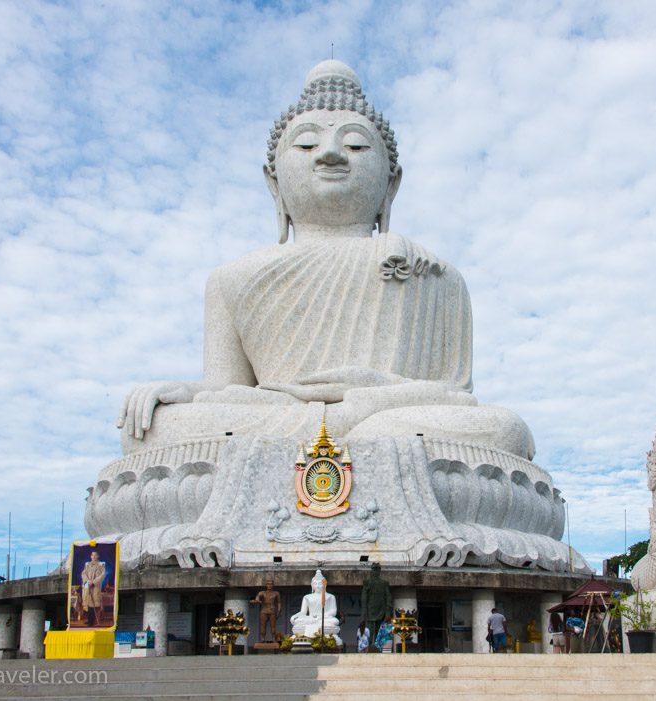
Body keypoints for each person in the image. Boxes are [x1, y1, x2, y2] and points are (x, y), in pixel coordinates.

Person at [114, 60, 534, 462]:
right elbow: (229, 391)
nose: (330, 154)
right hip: (286, 419)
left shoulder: (434, 274)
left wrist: (376, 393)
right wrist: (190, 395)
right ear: (273, 182)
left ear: (392, 183)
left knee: (502, 429)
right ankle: (346, 438)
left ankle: (341, 436)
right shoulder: (231, 279)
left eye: (354, 144)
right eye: (307, 143)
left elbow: (454, 396)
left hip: (385, 417)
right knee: (151, 429)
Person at [289, 569, 339, 639]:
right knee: (297, 621)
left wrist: (321, 616)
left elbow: (333, 612)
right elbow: (303, 612)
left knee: (335, 621)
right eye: (315, 583)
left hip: (324, 618)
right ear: (312, 585)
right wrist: (295, 616)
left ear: (324, 584)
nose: (318, 586)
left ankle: (319, 630)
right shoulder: (307, 597)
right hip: (311, 618)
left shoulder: (330, 597)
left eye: (320, 583)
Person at [360, 562, 392, 651]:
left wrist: (388, 612)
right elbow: (364, 598)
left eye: (377, 570)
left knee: (379, 629)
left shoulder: (384, 583)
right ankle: (368, 645)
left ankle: (378, 646)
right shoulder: (367, 582)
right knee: (370, 629)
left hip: (381, 610)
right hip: (370, 610)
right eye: (374, 570)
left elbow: (388, 598)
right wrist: (364, 611)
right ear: (372, 571)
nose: (375, 572)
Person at [80, 550, 107, 626]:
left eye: (95, 555)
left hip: (95, 586)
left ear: (98, 556)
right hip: (87, 586)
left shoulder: (101, 565)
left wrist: (94, 582)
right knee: (88, 603)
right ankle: (89, 620)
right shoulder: (87, 565)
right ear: (91, 556)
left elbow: (102, 575)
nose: (94, 557)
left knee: (93, 603)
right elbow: (83, 574)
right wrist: (88, 581)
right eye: (92, 555)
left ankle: (92, 621)